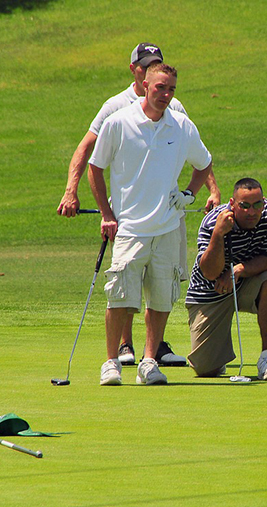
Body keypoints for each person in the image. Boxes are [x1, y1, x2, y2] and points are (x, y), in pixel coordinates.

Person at [58, 42, 221, 367]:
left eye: (169, 86)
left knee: (162, 289)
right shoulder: (116, 111)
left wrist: (202, 191)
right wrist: (71, 191)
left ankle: (152, 352)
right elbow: (90, 152)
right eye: (152, 73)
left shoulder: (178, 113)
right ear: (138, 73)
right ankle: (122, 349)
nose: (165, 92)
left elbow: (198, 155)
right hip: (130, 219)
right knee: (123, 289)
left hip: (166, 218)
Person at [88, 63, 213, 385]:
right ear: (144, 84)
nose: (166, 94)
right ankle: (111, 362)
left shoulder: (182, 126)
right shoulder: (118, 122)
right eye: (160, 87)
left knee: (160, 300)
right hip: (130, 227)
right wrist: (107, 214)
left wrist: (188, 194)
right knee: (120, 299)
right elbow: (95, 167)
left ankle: (148, 361)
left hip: (168, 228)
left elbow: (204, 163)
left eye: (171, 89)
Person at [184, 178, 267, 380]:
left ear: (263, 202)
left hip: (246, 282)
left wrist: (239, 270)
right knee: (206, 370)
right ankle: (216, 357)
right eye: (244, 206)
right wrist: (218, 234)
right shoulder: (214, 221)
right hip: (211, 291)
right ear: (232, 203)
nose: (252, 212)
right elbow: (210, 272)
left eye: (257, 205)